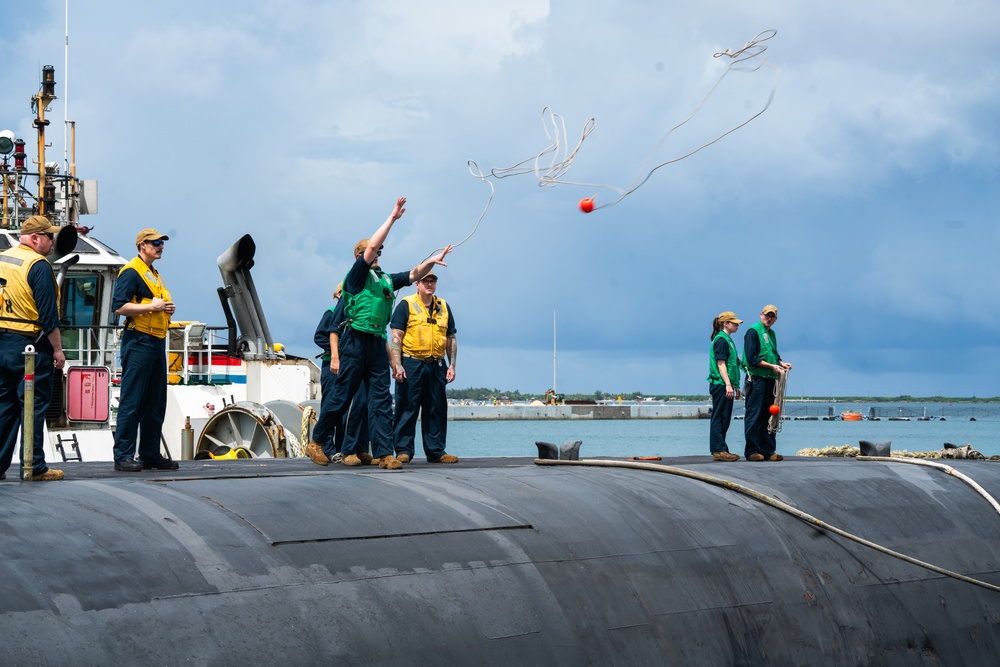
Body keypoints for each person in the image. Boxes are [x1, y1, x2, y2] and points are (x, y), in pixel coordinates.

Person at [306, 197, 452, 470]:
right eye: (374, 253)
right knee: (341, 397)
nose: (377, 254)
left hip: (375, 342)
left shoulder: (384, 279)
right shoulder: (356, 276)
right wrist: (393, 218)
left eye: (380, 253)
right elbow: (372, 245)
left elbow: (413, 274)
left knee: (382, 400)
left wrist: (432, 261)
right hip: (355, 341)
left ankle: (385, 453)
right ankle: (317, 441)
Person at [0, 216, 66, 481]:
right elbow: (48, 315)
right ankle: (34, 466)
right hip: (29, 345)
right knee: (33, 404)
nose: (53, 242)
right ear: (36, 238)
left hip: (3, 343)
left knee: (5, 406)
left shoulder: (3, 258)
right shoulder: (38, 265)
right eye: (50, 237)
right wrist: (58, 351)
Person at [111, 228, 179, 472]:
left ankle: (149, 454)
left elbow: (152, 305)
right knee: (132, 400)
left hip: (156, 341)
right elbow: (119, 307)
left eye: (162, 242)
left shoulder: (154, 274)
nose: (161, 246)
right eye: (156, 242)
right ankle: (123, 456)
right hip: (139, 341)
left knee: (155, 401)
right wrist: (152, 305)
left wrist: (165, 308)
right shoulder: (131, 271)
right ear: (142, 245)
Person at [390, 270, 459, 464]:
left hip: (436, 364)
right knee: (406, 407)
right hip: (412, 362)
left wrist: (451, 365)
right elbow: (396, 335)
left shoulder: (443, 306)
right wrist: (398, 365)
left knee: (436, 408)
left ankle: (436, 450)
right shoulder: (407, 305)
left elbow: (451, 338)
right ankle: (403, 450)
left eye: (433, 281)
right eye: (425, 281)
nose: (429, 284)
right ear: (417, 284)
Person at [312, 284, 369, 464]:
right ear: (339, 295)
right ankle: (328, 450)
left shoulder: (355, 317)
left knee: (351, 407)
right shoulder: (330, 313)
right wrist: (341, 349)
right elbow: (320, 336)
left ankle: (346, 447)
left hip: (350, 366)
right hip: (332, 366)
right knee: (331, 405)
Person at [743, 304, 792, 462]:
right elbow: (752, 359)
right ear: (761, 315)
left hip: (771, 379)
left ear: (776, 319)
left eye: (772, 316)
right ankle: (752, 450)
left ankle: (768, 449)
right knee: (754, 415)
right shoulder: (753, 331)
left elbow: (773, 354)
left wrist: (781, 363)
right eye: (767, 315)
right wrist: (772, 366)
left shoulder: (772, 334)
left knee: (771, 415)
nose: (769, 318)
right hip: (757, 379)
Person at [707, 311, 742, 462]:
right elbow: (721, 364)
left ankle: (722, 448)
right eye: (734, 322)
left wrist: (736, 385)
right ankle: (718, 450)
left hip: (727, 384)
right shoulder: (721, 340)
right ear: (726, 323)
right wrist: (728, 384)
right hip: (721, 384)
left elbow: (733, 365)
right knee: (719, 417)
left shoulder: (728, 340)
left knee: (725, 417)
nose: (737, 325)